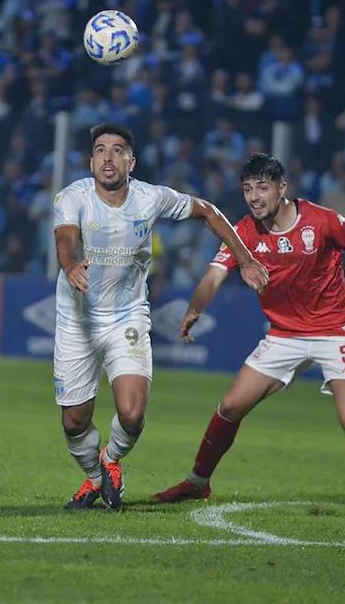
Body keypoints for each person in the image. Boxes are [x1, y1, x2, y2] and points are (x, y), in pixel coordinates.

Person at [153, 154, 345, 518]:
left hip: (338, 331)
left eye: (262, 188)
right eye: (248, 189)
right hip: (284, 334)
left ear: (282, 189)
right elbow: (213, 277)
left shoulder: (323, 221)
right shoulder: (244, 233)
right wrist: (195, 309)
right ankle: (197, 482)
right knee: (230, 406)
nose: (254, 197)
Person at [54, 123, 270, 511]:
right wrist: (70, 265)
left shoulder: (150, 198)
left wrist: (245, 257)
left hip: (127, 317)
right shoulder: (73, 198)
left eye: (118, 150)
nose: (108, 157)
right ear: (90, 162)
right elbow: (66, 240)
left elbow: (207, 211)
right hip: (78, 321)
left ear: (131, 162)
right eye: (100, 150)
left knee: (133, 414)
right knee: (74, 421)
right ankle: (92, 478)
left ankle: (111, 461)